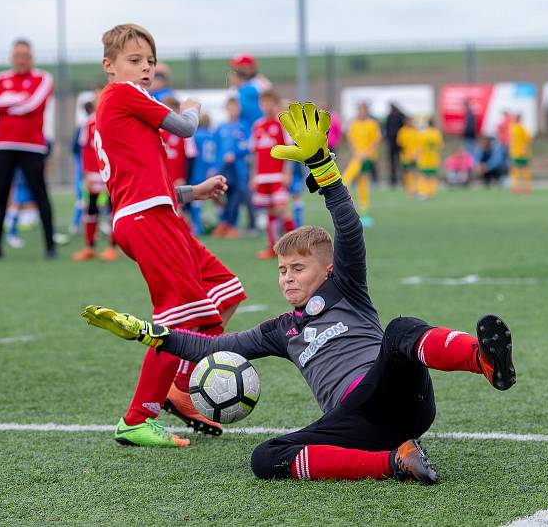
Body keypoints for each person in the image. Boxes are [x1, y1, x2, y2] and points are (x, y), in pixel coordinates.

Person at [83, 102, 517, 484]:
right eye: (282, 270)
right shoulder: (281, 330)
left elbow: (347, 226)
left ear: (326, 269)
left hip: (399, 396)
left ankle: (483, 359)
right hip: (354, 424)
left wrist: (323, 169)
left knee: (401, 329)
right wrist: (146, 332)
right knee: (266, 457)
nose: (287, 277)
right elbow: (212, 346)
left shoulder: (347, 288)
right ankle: (395, 462)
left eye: (298, 268)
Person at [93, 23, 247, 446]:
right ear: (109, 66)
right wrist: (194, 106)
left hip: (156, 215)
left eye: (151, 62)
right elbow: (183, 126)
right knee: (178, 317)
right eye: (135, 61)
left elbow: (142, 182)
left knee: (225, 291)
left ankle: (180, 386)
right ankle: (137, 417)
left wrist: (193, 192)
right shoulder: (124, 94)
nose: (146, 69)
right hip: (147, 222)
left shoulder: (122, 108)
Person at [0, 39, 56, 259]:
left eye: (25, 55)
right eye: (17, 55)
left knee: (40, 193)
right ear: (11, 57)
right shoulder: (0, 78)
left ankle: (50, 246)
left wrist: (6, 103)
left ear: (31, 57)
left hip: (32, 146)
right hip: (3, 145)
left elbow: (34, 104)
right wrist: (16, 99)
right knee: (1, 194)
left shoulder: (43, 78)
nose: (21, 59)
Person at [250, 89, 295, 259]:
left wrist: (287, 172)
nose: (267, 106)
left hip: (277, 175)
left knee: (282, 208)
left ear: (276, 105)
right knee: (269, 211)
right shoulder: (257, 125)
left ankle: (294, 247)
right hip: (262, 176)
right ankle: (272, 247)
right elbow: (255, 153)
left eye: (271, 103)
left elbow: (289, 150)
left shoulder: (281, 124)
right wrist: (253, 176)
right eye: (264, 102)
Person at [73, 99, 117, 261]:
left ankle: (111, 247)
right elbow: (85, 149)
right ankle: (89, 247)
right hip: (93, 175)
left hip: (111, 174)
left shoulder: (114, 120)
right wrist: (85, 175)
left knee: (112, 209)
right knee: (90, 209)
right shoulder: (89, 123)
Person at [213, 98, 250, 238]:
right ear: (226, 109)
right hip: (223, 168)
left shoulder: (243, 126)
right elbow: (216, 149)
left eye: (235, 107)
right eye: (230, 107)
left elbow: (248, 146)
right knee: (222, 193)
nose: (233, 110)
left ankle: (231, 225)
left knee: (237, 195)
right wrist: (213, 167)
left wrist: (235, 154)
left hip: (239, 168)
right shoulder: (220, 128)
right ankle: (224, 222)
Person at [343, 101, 381, 222]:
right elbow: (351, 140)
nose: (361, 112)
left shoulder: (372, 124)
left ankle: (362, 211)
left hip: (367, 157)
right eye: (359, 110)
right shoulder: (354, 124)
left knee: (360, 181)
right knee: (348, 180)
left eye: (363, 110)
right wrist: (357, 152)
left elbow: (376, 141)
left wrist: (366, 153)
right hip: (357, 157)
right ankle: (352, 208)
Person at [188, 113, 218, 236]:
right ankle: (219, 225)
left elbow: (191, 154)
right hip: (212, 170)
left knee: (196, 198)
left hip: (198, 171)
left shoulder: (195, 136)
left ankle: (197, 227)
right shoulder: (213, 135)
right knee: (216, 197)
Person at [229, 54, 271, 129]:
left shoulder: (260, 83)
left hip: (259, 128)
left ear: (247, 67)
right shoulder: (236, 86)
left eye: (238, 66)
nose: (236, 69)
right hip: (242, 129)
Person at [417, 118, 444, 199]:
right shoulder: (437, 133)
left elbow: (420, 147)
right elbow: (440, 146)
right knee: (433, 176)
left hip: (424, 158)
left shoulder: (423, 134)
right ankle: (431, 192)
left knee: (423, 176)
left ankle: (423, 192)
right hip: (434, 157)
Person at [396, 116, 420, 198]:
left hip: (415, 156)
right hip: (406, 156)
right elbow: (400, 144)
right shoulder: (402, 131)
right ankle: (409, 190)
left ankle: (416, 189)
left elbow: (419, 144)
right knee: (407, 173)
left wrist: (416, 155)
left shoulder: (416, 131)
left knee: (415, 173)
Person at [509, 114, 532, 194]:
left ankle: (526, 187)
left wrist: (523, 149)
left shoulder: (522, 128)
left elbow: (527, 139)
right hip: (515, 152)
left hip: (522, 153)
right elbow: (512, 141)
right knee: (515, 169)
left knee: (524, 169)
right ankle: (515, 187)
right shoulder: (513, 127)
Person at [385, 103, 406, 188]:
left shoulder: (401, 116)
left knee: (402, 162)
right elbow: (387, 128)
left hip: (400, 144)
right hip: (392, 143)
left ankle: (404, 180)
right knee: (392, 163)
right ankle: (393, 180)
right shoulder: (389, 116)